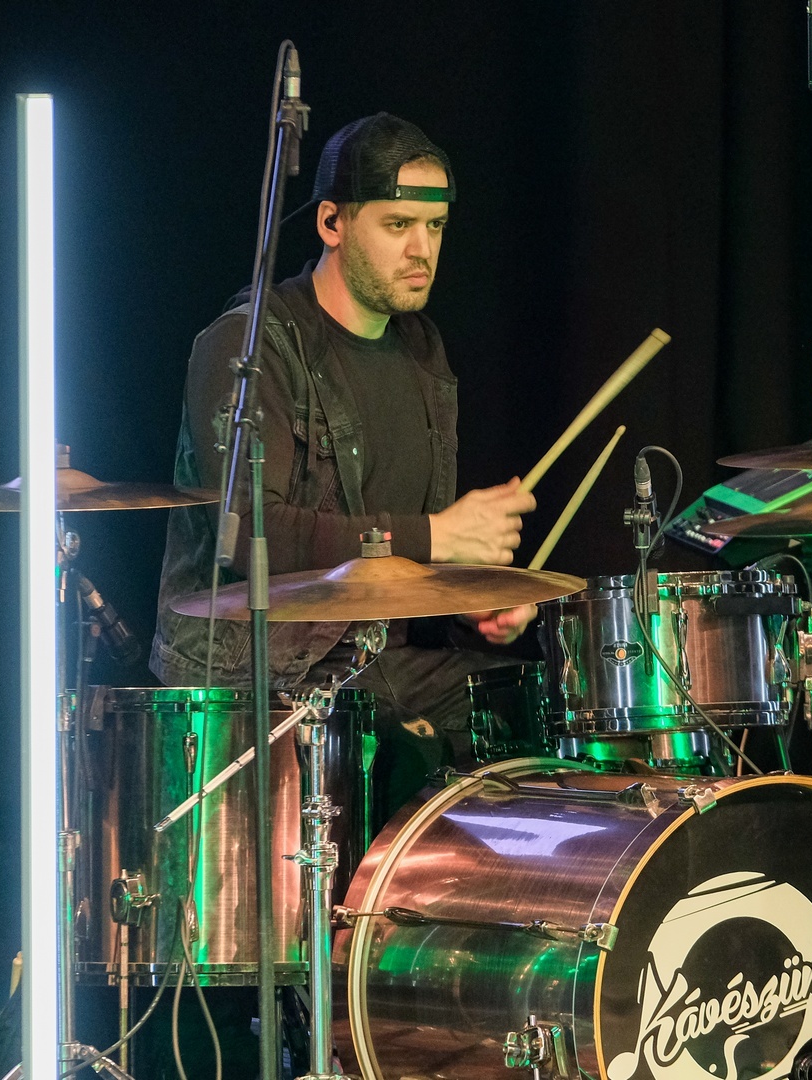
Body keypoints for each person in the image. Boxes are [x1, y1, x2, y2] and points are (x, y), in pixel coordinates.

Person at [149, 112, 539, 809]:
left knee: (538, 708)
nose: (422, 249)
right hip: (257, 682)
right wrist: (436, 537)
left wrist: (471, 600)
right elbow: (249, 535)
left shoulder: (421, 349)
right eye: (398, 225)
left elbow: (395, 571)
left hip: (371, 662)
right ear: (332, 222)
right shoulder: (249, 347)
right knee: (410, 756)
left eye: (436, 226)